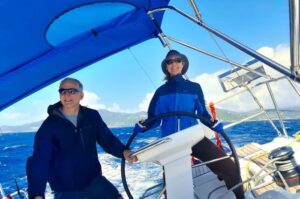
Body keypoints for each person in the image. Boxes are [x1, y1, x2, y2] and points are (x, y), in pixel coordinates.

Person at [134, 50, 244, 199]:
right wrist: (143, 126)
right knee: (172, 189)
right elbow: (154, 118)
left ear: (183, 64)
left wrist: (213, 124)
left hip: (193, 137)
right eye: (170, 61)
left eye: (177, 60)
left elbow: (202, 114)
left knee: (229, 167)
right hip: (170, 142)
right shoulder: (160, 92)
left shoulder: (194, 88)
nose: (174, 64)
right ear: (166, 67)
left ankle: (240, 196)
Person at [26, 77, 137, 199]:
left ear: (81, 95)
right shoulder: (49, 125)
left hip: (94, 181)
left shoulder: (92, 116)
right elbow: (40, 160)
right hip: (65, 190)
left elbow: (107, 139)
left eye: (72, 91)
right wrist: (36, 194)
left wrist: (123, 151)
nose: (66, 94)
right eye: (62, 91)